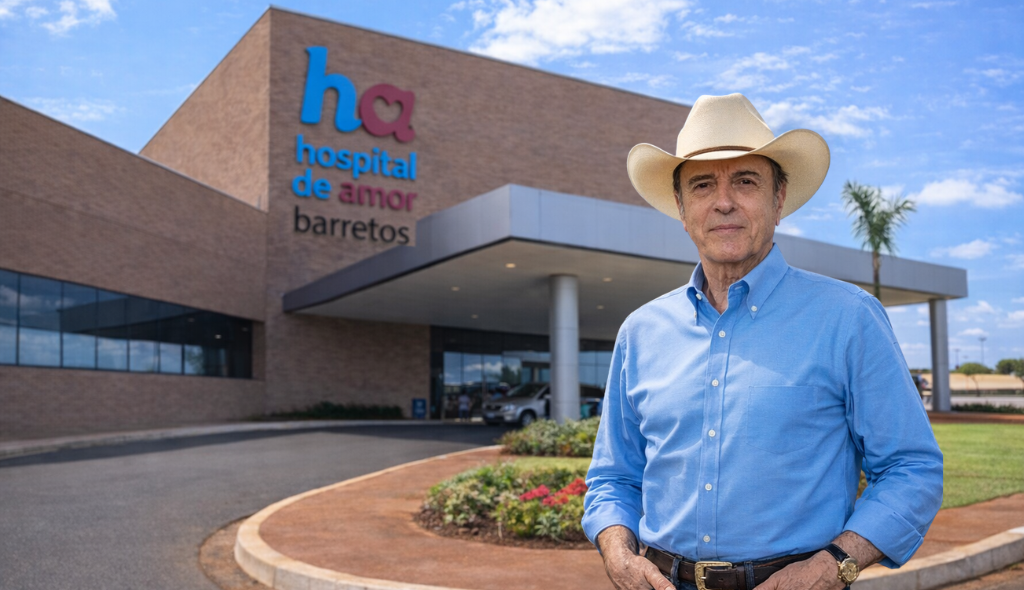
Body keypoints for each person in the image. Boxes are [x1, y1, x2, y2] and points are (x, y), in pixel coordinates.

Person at [582, 93, 943, 590]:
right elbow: (613, 478)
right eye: (703, 184)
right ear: (682, 210)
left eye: (746, 181)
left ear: (778, 200)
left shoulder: (848, 318)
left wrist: (833, 566)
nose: (724, 201)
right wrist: (618, 553)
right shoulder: (641, 332)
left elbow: (911, 468)